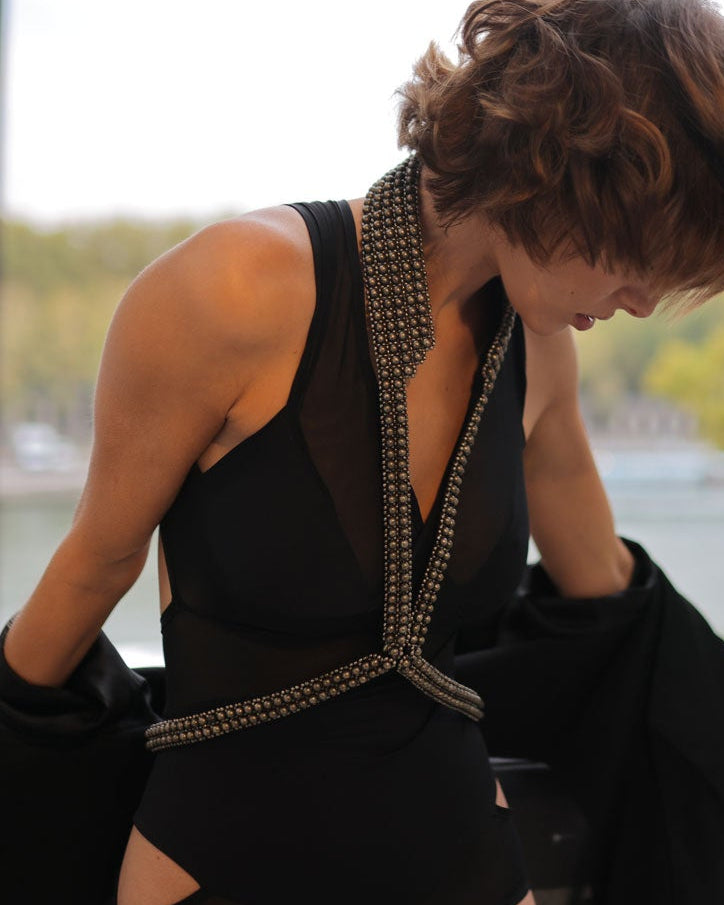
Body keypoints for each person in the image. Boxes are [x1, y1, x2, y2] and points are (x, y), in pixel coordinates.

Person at [3, 0, 724, 903]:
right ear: (562, 170)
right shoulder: (228, 293)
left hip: (469, 857)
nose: (644, 298)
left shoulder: (541, 355)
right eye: (645, 255)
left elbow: (612, 603)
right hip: (220, 864)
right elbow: (96, 562)